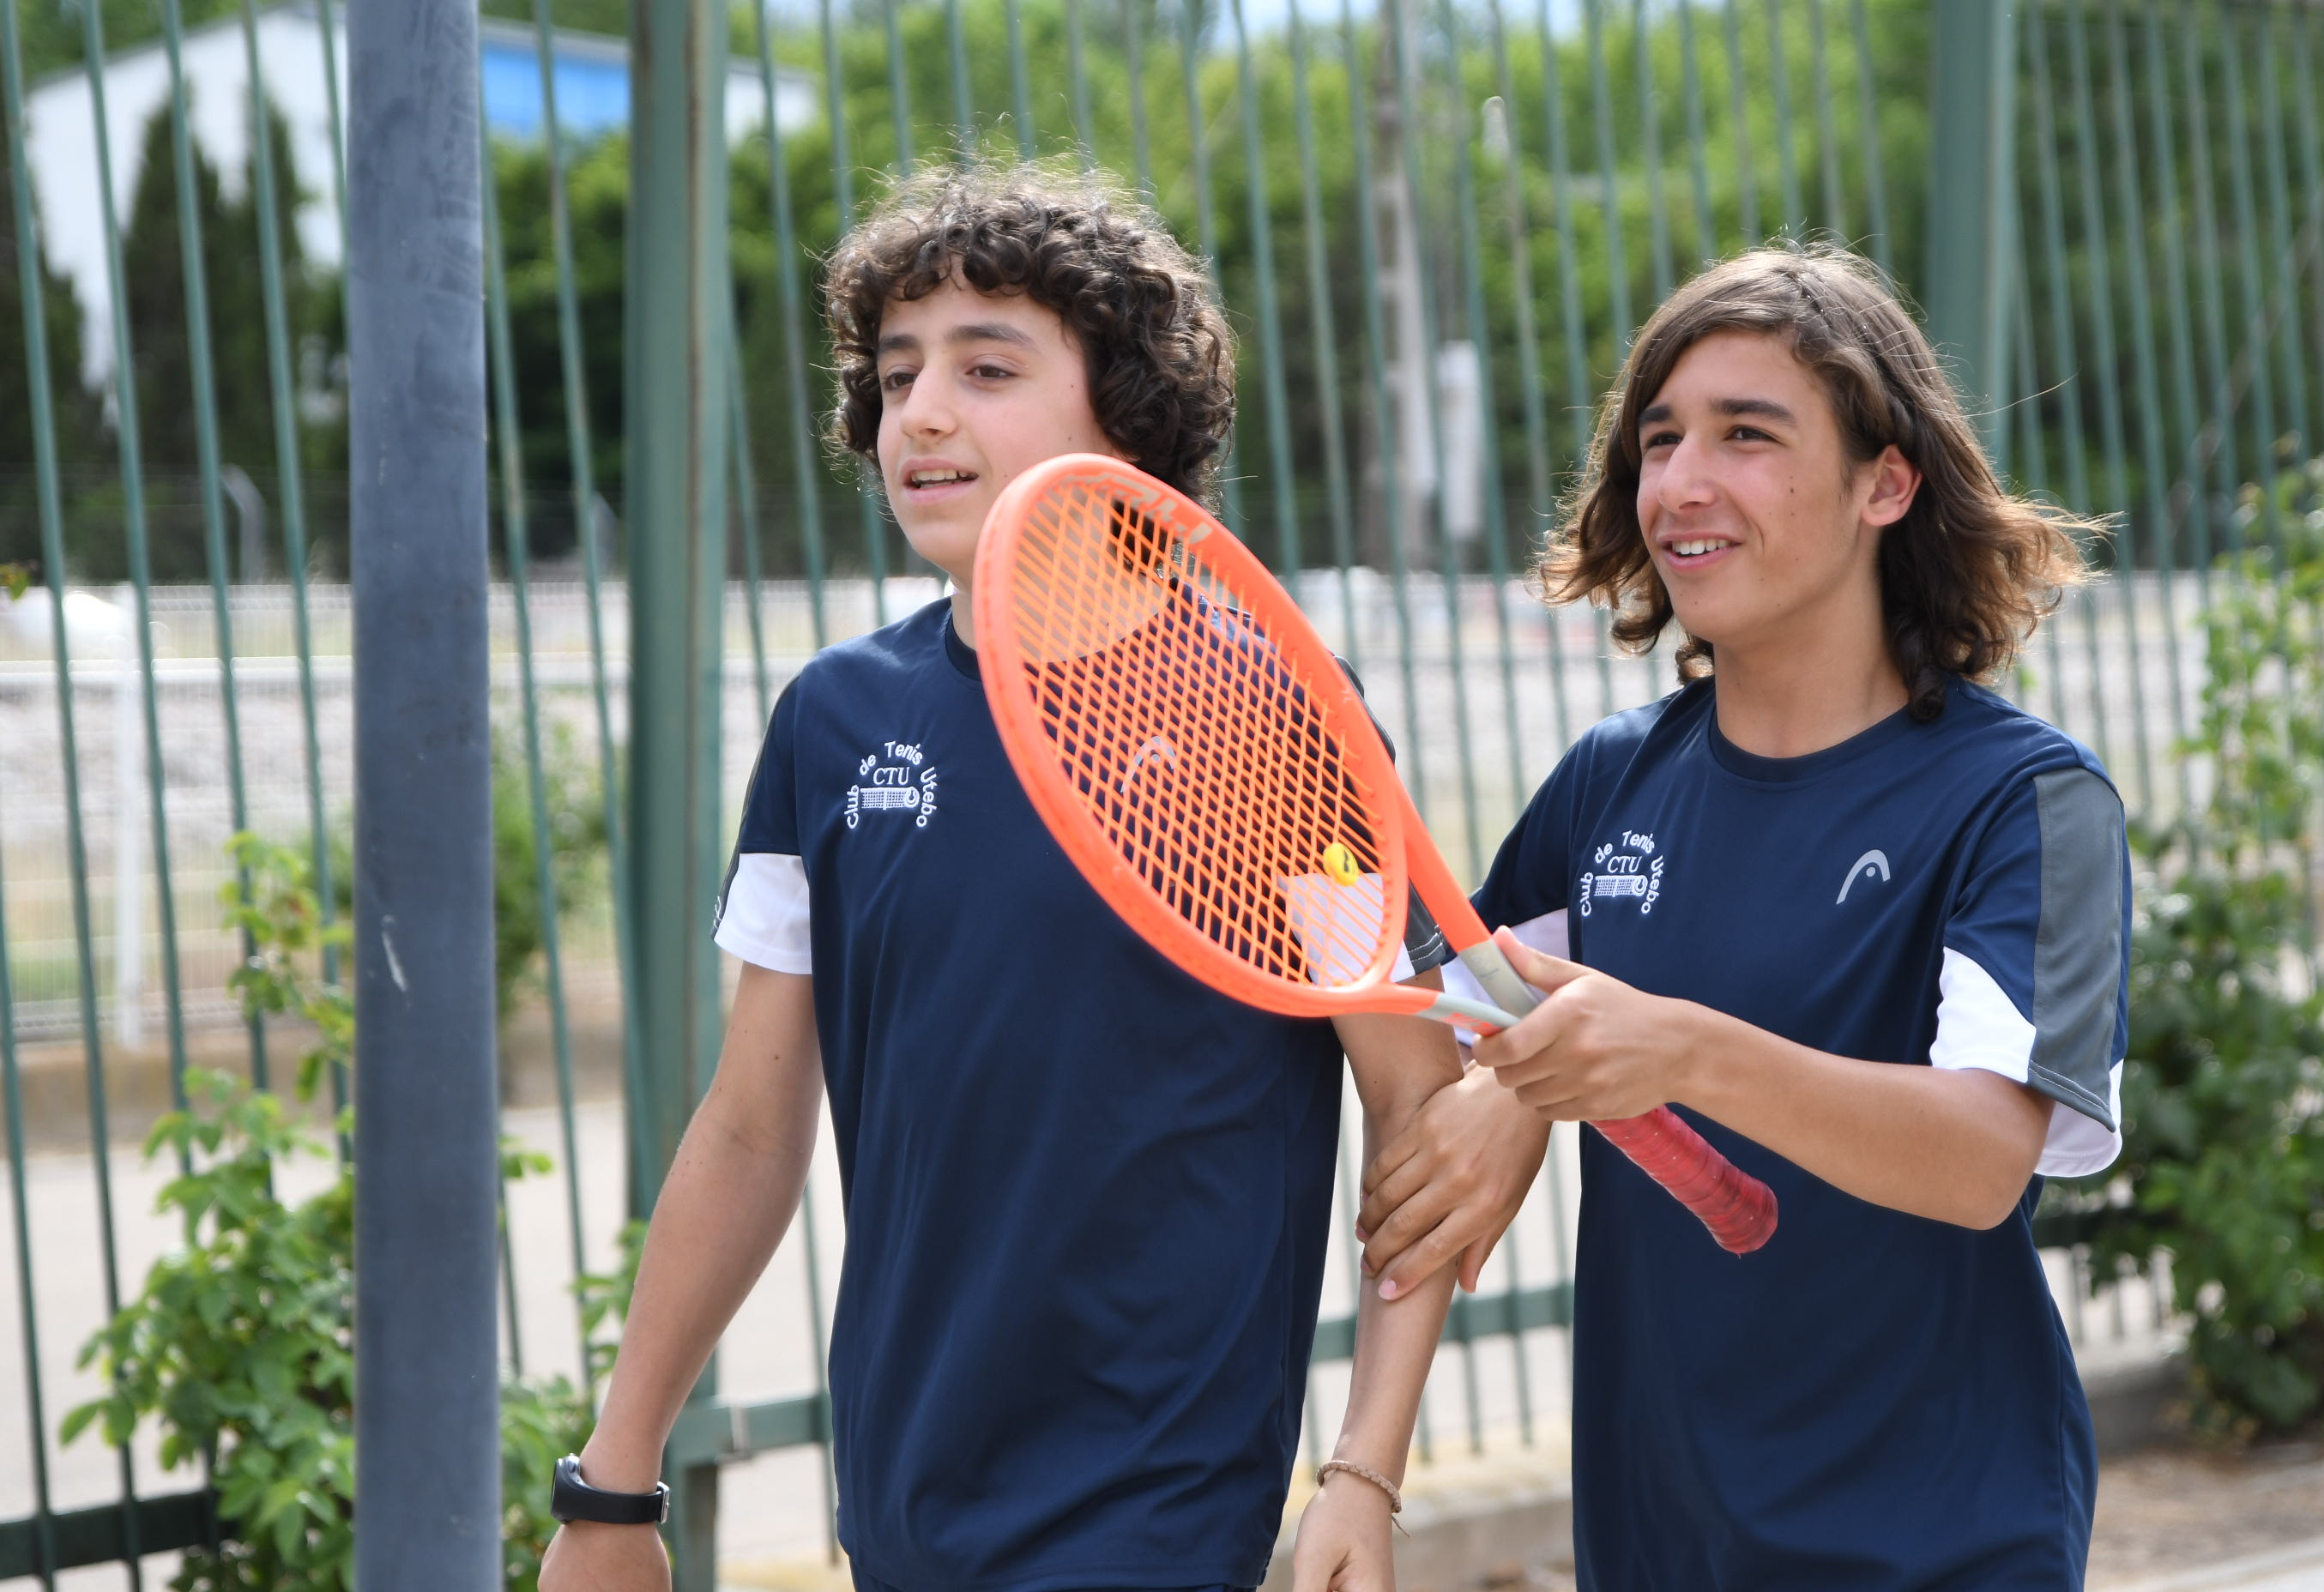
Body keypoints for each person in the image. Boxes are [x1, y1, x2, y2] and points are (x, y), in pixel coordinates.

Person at [539, 163, 1464, 1592]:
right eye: (896, 372)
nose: (921, 411)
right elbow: (749, 1128)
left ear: (1124, 413)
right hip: (903, 1503)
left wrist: (1365, 1476)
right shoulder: (833, 721)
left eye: (987, 367)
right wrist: (613, 1486)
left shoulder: (1267, 709)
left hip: (1157, 1510)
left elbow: (1418, 1111)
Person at [1354, 245, 2127, 1589]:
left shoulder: (2033, 800)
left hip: (1941, 1546)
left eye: (1746, 435)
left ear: (1887, 483)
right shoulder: (1609, 782)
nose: (1680, 484)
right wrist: (1363, 1478)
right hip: (1659, 1543)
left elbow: (1981, 1160)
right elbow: (1451, 1040)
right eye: (1659, 440)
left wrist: (1680, 1054)